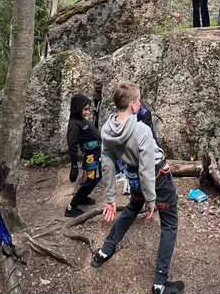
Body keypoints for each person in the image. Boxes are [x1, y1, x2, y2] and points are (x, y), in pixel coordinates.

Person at [91, 82, 184, 294]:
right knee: (169, 224)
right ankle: (160, 284)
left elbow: (106, 163)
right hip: (158, 179)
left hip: (134, 178)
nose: (140, 103)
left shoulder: (107, 129)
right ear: (133, 105)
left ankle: (104, 252)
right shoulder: (141, 130)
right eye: (139, 100)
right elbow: (147, 169)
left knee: (133, 207)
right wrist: (151, 202)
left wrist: (111, 198)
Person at [65, 93, 102, 218]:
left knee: (96, 177)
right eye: (85, 109)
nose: (87, 112)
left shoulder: (81, 120)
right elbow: (72, 146)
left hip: (95, 154)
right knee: (92, 180)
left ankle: (83, 198)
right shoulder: (74, 124)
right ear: (77, 107)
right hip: (91, 157)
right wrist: (74, 166)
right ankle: (71, 207)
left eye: (88, 109)